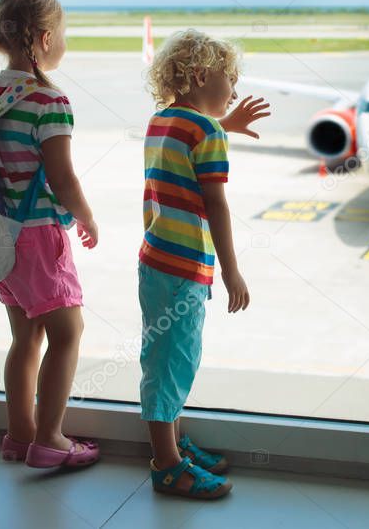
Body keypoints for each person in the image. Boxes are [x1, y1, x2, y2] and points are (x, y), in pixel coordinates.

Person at [0, 0, 100, 469]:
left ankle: (20, 436)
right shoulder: (49, 99)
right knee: (68, 332)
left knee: (25, 339)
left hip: (1, 235)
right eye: (62, 33)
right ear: (44, 37)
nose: (64, 40)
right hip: (40, 234)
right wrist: (85, 214)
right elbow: (61, 176)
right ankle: (50, 440)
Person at [139, 28, 269, 499]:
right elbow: (215, 205)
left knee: (167, 355)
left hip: (155, 260)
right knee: (173, 361)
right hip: (183, 266)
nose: (233, 91)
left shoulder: (162, 121)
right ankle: (167, 466)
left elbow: (183, 151)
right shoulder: (207, 132)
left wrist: (222, 125)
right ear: (198, 77)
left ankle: (172, 442)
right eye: (228, 81)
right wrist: (232, 270)